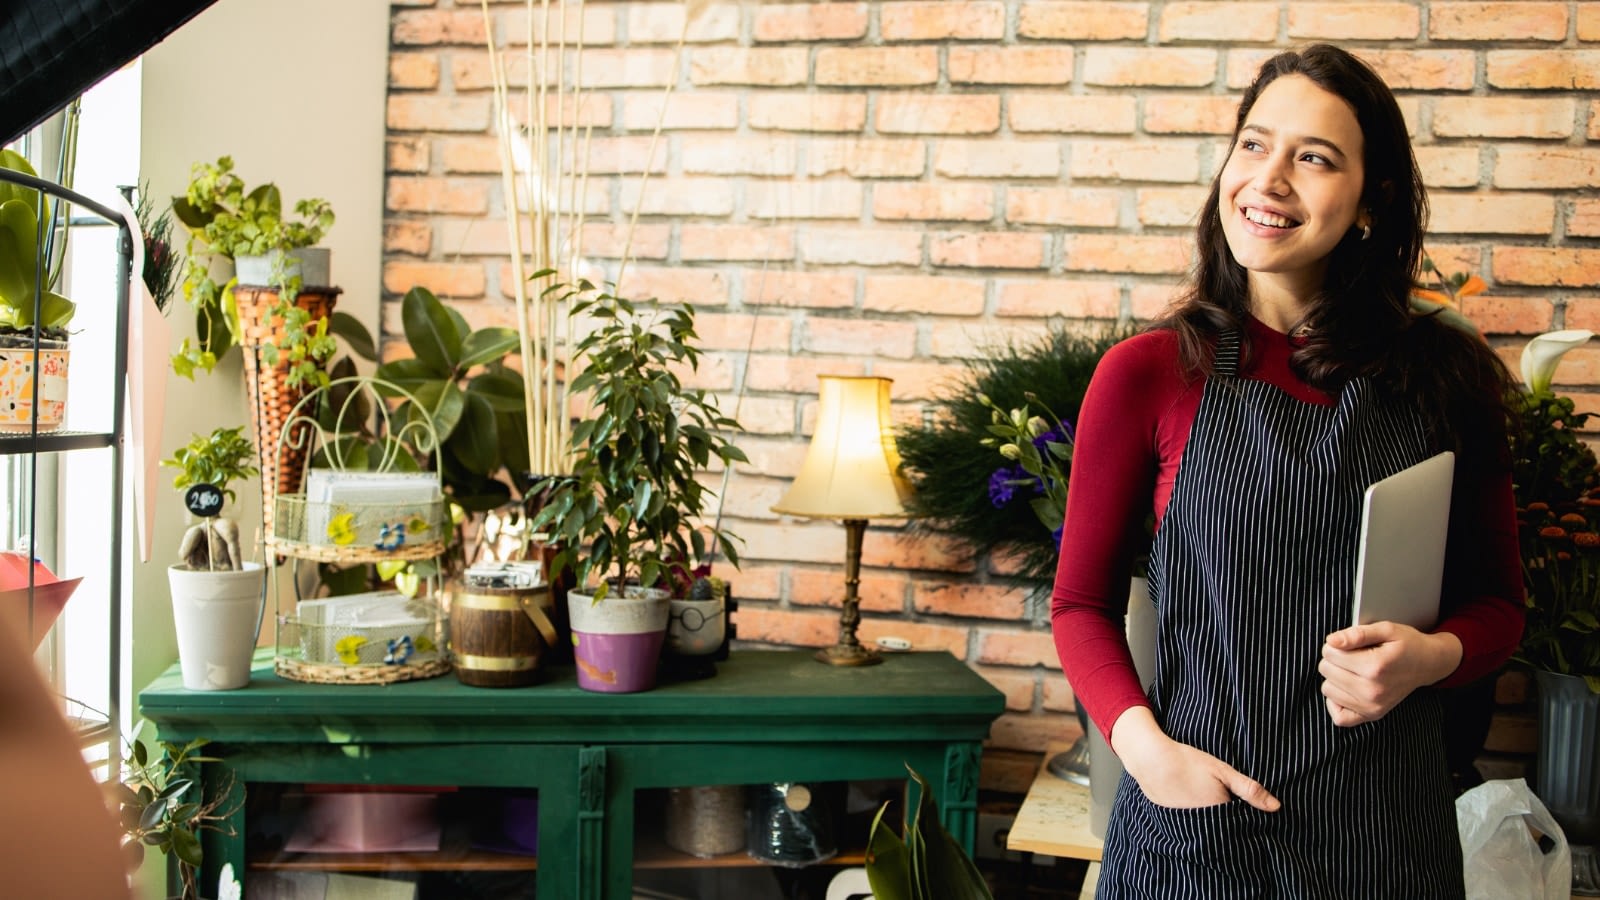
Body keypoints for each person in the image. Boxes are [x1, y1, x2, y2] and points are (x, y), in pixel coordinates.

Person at [1051, 44, 1524, 899]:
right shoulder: (1149, 372)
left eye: (1313, 158)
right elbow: (1080, 604)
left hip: (1386, 839)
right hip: (1194, 833)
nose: (1269, 180)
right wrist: (1145, 753)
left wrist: (1428, 657)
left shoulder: (1449, 377)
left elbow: (1500, 606)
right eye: (1254, 145)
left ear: (1372, 202)